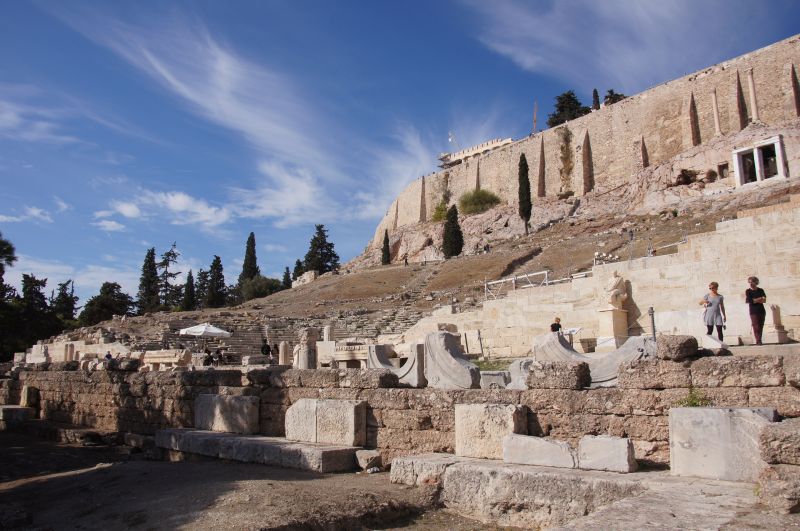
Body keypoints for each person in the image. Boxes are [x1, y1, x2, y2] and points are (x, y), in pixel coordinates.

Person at [745, 276, 767, 345]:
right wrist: (759, 299)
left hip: (761, 310)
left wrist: (755, 300)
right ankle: (758, 340)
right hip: (753, 311)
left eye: (752, 282)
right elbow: (750, 301)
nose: (750, 284)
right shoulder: (748, 291)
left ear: (756, 282)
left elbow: (764, 300)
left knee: (761, 325)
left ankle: (759, 339)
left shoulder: (761, 290)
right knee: (756, 326)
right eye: (749, 282)